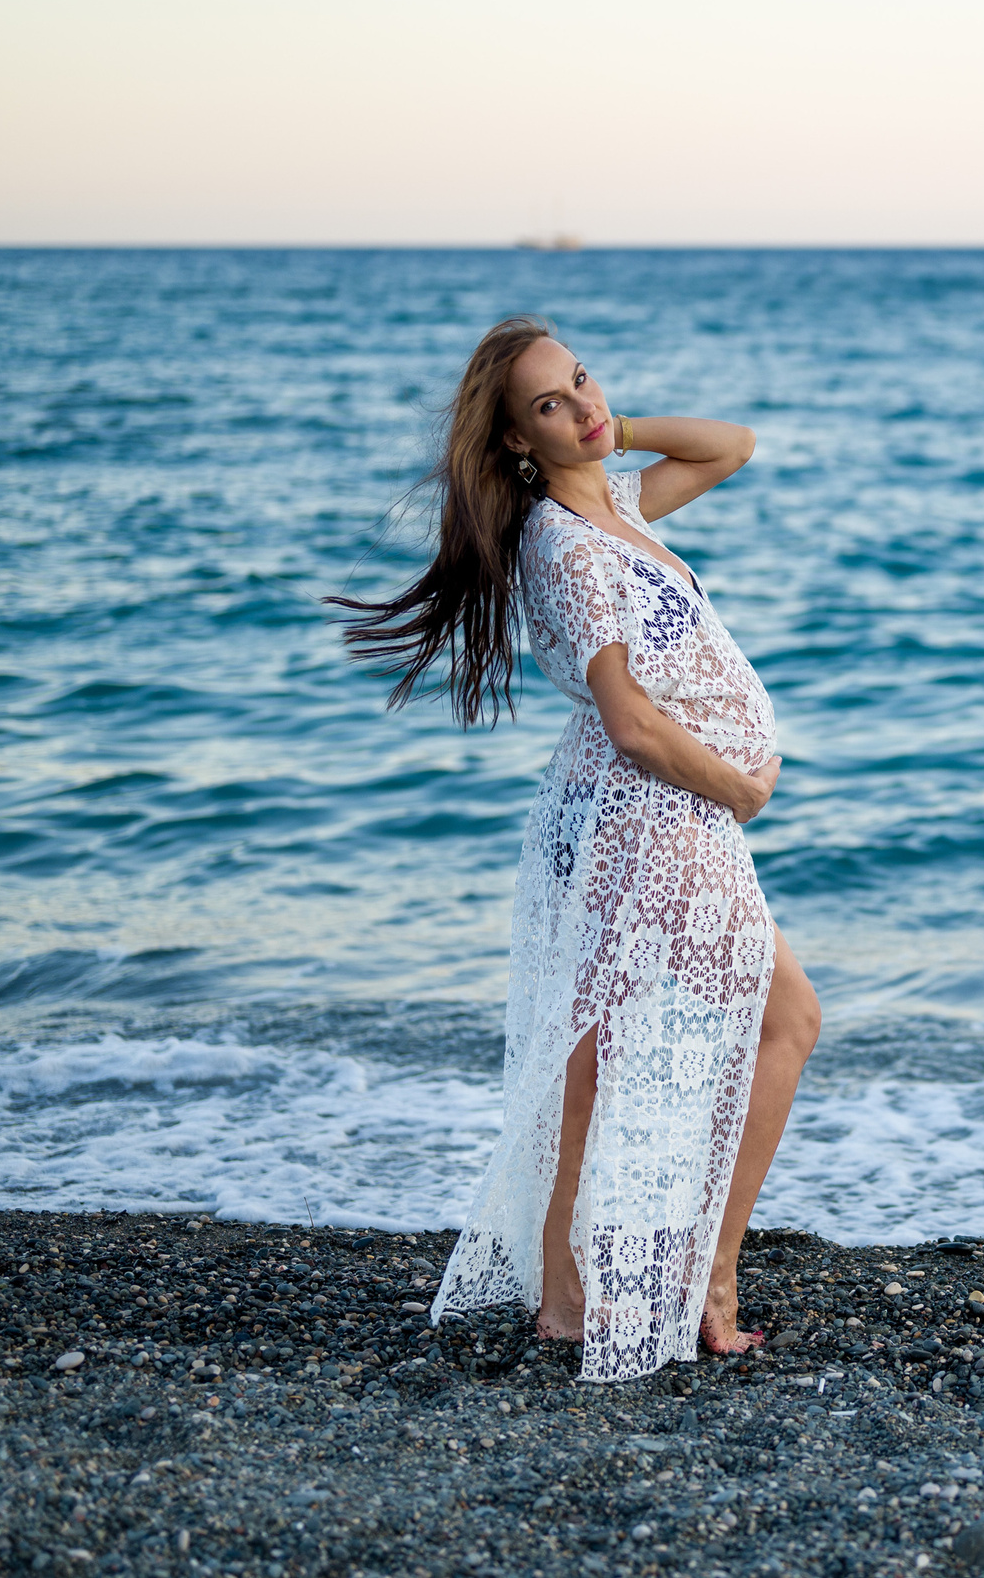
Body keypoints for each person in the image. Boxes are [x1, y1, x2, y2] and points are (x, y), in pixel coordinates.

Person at [328, 315, 819, 1378]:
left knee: (594, 1055)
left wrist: (610, 429)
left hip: (633, 813)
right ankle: (702, 1274)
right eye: (552, 404)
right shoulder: (565, 543)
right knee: (767, 1020)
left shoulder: (619, 501)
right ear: (515, 441)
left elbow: (730, 443)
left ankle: (577, 1290)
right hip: (649, 810)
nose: (585, 405)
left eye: (583, 380)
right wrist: (739, 789)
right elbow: (632, 718)